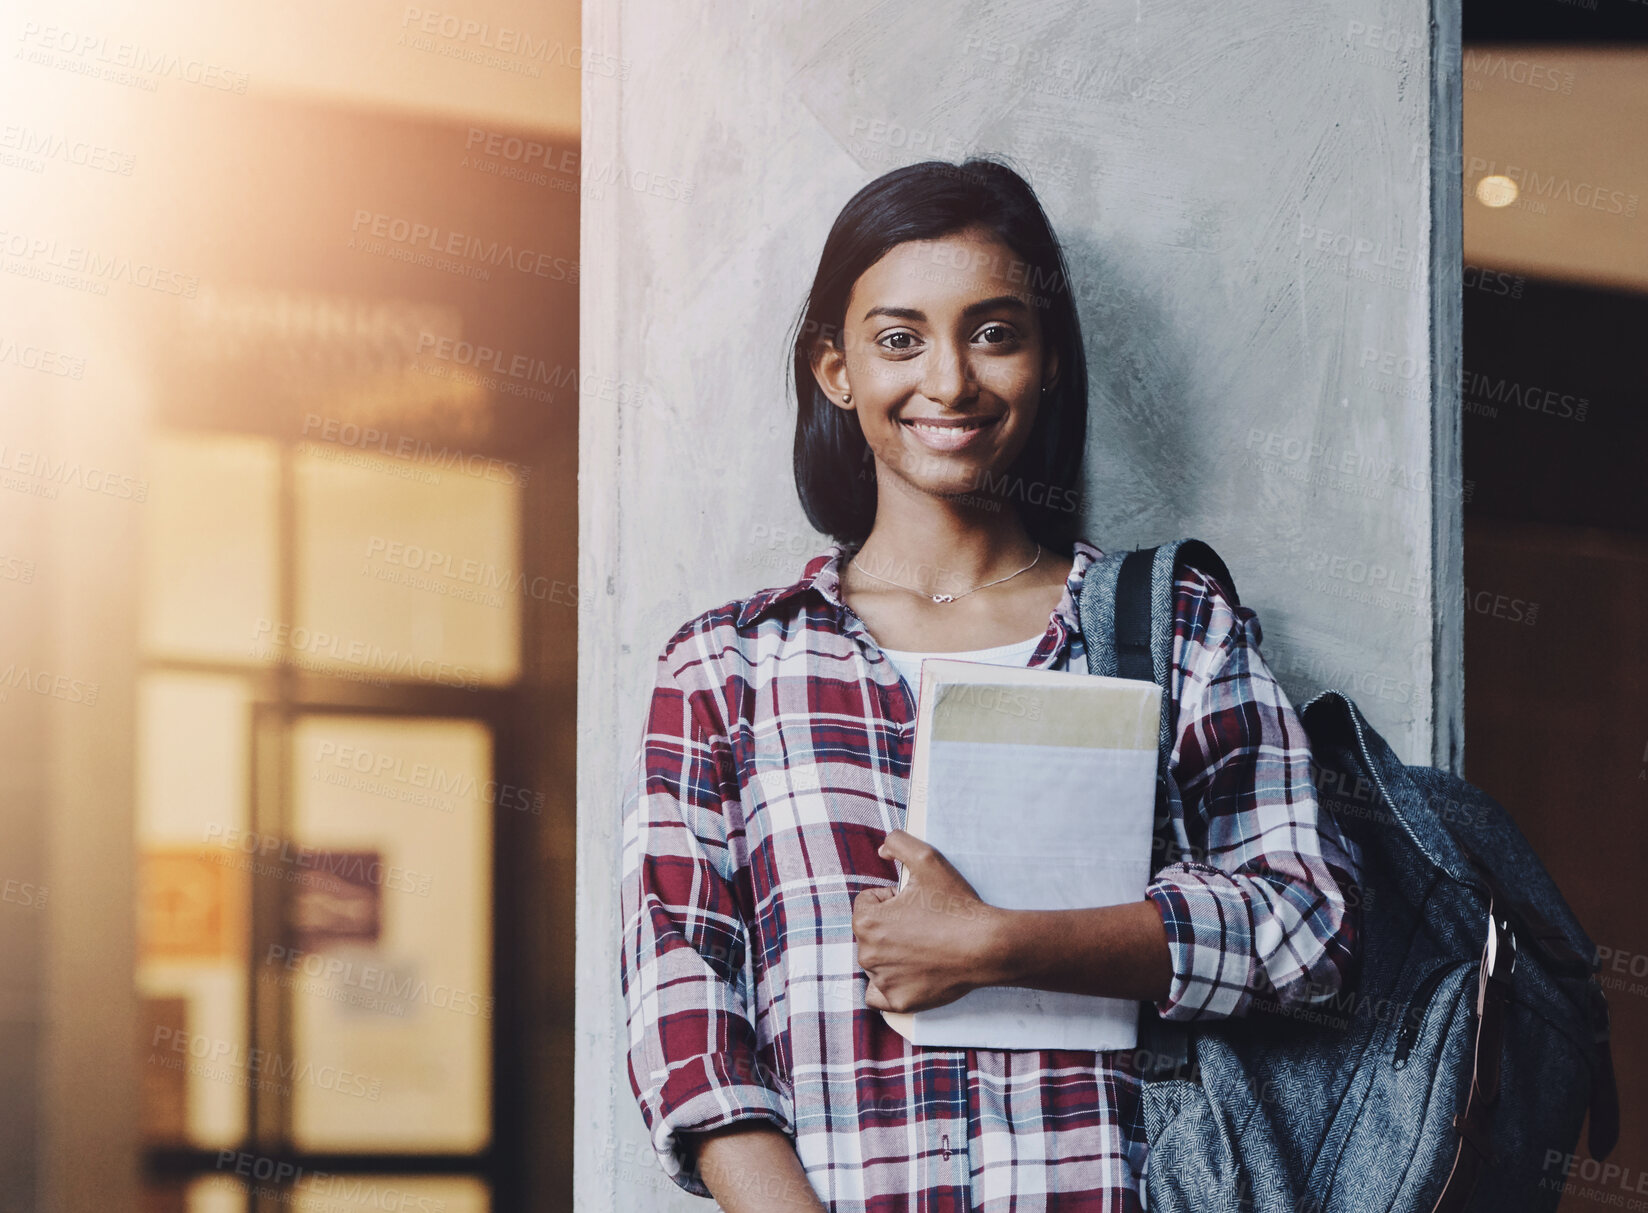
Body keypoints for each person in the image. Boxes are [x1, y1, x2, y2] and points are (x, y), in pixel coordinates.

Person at [618, 158, 1362, 1212]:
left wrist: (1002, 943)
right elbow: (684, 1016)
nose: (950, 381)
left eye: (994, 332)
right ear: (835, 369)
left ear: (1047, 357)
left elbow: (1309, 923)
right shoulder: (727, 668)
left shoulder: (1170, 624)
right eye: (899, 338)